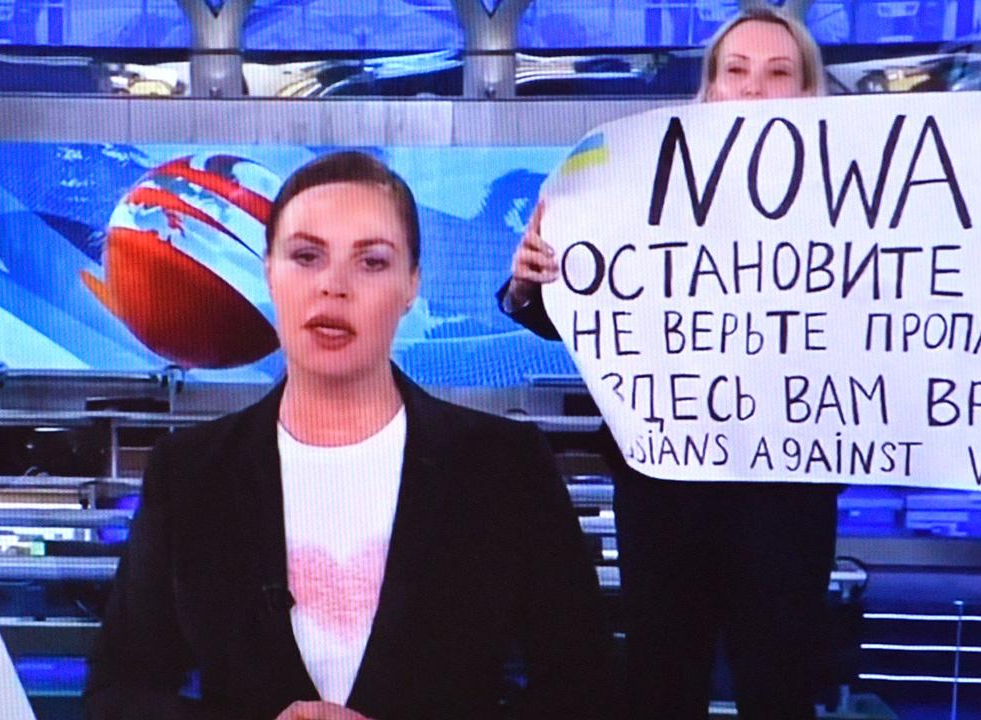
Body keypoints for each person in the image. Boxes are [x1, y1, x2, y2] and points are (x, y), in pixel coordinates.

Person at [498, 8, 981, 720]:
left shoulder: (877, 208)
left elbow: (962, 287)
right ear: (708, 90)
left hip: (789, 504)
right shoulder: (635, 186)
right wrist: (533, 281)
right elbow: (583, 313)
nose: (754, 91)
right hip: (663, 501)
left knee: (780, 688)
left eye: (780, 74)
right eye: (736, 72)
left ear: (811, 94)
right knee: (660, 685)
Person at [86, 151, 611, 720]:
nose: (333, 286)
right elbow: (118, 697)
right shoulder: (190, 474)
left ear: (412, 286)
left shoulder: (505, 468)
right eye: (307, 256)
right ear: (268, 273)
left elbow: (584, 693)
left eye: (372, 262)